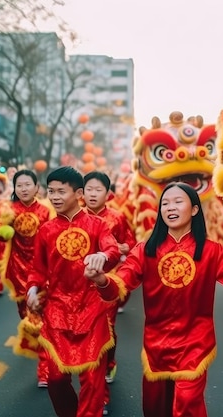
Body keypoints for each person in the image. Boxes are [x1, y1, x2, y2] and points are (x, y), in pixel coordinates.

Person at [86, 182, 223, 417]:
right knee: (155, 407)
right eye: (165, 203)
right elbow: (119, 286)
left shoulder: (212, 251)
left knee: (188, 403)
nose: (170, 207)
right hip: (156, 344)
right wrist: (101, 279)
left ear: (195, 209)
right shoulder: (145, 249)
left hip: (195, 342)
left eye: (178, 202)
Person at [26, 166, 120, 417]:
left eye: (61, 191)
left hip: (92, 308)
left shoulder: (97, 225)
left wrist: (102, 255)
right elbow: (37, 270)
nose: (55, 197)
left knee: (92, 381)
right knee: (56, 379)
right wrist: (33, 290)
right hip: (57, 312)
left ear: (78, 193)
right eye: (51, 191)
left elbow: (112, 250)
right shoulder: (45, 231)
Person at [83, 171, 136, 413]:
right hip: (80, 287)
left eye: (98, 189)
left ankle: (107, 367)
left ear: (108, 193)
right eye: (89, 189)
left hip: (108, 284)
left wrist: (117, 248)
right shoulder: (75, 218)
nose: (93, 194)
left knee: (107, 331)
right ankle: (91, 387)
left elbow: (131, 244)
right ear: (81, 193)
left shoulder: (116, 218)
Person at [4, 169, 55, 388]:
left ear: (36, 187)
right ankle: (40, 351)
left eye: (28, 184)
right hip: (16, 272)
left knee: (39, 320)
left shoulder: (46, 212)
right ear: (15, 188)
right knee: (25, 317)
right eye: (19, 185)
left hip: (40, 272)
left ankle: (44, 370)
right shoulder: (8, 211)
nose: (23, 189)